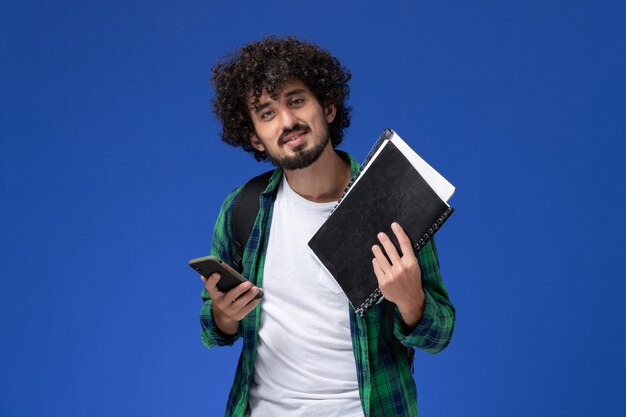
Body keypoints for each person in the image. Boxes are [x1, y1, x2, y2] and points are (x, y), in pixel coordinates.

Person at [200, 36, 455, 417]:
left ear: (329, 107)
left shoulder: (392, 201)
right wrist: (224, 314)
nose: (288, 122)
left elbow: (441, 334)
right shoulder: (243, 210)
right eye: (267, 113)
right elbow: (212, 328)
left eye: (297, 100)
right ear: (255, 137)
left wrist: (411, 300)